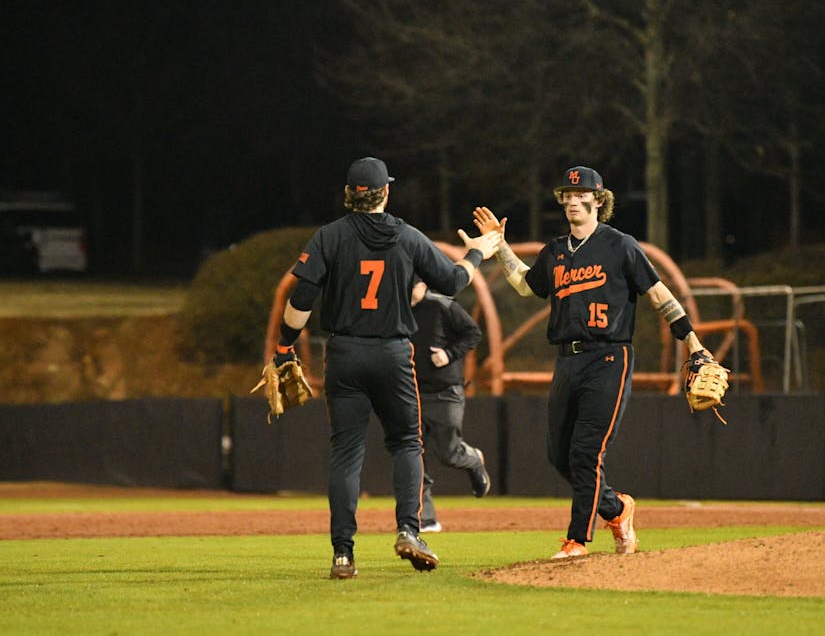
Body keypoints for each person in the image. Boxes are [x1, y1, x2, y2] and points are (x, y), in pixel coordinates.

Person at [265, 156, 501, 580]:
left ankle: (343, 554)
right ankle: (409, 530)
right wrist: (478, 251)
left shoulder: (329, 237)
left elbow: (301, 301)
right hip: (392, 354)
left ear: (348, 194)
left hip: (345, 354)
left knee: (346, 454)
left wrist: (284, 348)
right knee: (408, 444)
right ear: (385, 192)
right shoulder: (407, 236)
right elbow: (451, 282)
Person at [472, 165, 715, 559]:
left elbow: (658, 295)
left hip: (609, 357)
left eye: (580, 195)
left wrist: (694, 343)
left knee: (586, 453)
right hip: (567, 362)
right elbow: (524, 285)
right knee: (560, 456)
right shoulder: (555, 251)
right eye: (566, 196)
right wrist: (499, 246)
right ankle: (618, 510)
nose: (572, 201)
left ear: (599, 201)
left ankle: (577, 541)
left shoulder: (620, 246)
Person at [409, 277, 491, 533]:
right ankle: (427, 518)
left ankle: (473, 460)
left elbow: (473, 333)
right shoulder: (396, 311)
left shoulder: (442, 305)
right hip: (411, 392)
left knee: (449, 453)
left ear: (423, 285)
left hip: (446, 391)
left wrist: (449, 354)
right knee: (412, 454)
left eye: (412, 285)